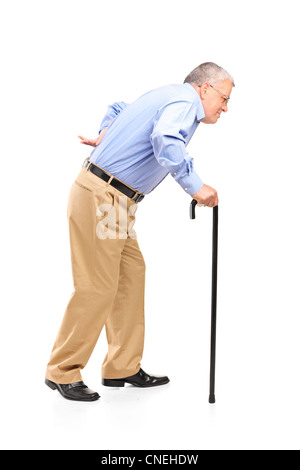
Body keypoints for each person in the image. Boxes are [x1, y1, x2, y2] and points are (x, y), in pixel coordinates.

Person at [45, 62, 235, 402]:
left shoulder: (169, 95)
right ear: (204, 88)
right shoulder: (185, 103)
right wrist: (194, 186)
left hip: (116, 201)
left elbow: (118, 108)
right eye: (223, 98)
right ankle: (62, 370)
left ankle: (121, 366)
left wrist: (107, 130)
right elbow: (165, 139)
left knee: (131, 276)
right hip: (103, 197)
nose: (225, 108)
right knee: (98, 286)